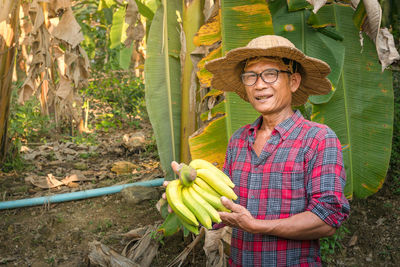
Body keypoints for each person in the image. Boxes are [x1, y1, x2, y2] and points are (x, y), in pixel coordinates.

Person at [168, 35, 350, 266]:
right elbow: (223, 211)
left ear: (293, 81)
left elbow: (326, 221)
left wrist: (257, 226)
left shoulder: (318, 139)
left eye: (270, 74)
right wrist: (186, 199)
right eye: (250, 76)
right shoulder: (239, 140)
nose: (260, 84)